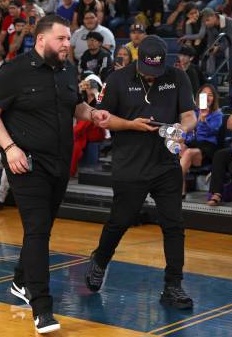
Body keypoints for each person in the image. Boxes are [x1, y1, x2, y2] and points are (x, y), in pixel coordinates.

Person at [0, 15, 110, 334]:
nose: (69, 44)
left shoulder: (68, 69)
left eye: (69, 39)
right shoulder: (14, 70)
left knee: (41, 228)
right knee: (38, 231)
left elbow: (75, 106)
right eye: (62, 39)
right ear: (41, 40)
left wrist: (93, 114)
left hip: (60, 164)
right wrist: (10, 148)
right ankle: (42, 308)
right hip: (26, 163)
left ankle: (19, 282)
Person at [85, 35, 197, 311]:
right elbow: (102, 118)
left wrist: (181, 130)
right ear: (138, 60)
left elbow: (190, 114)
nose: (152, 76)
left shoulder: (178, 77)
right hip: (130, 164)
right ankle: (100, 259)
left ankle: (173, 285)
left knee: (174, 225)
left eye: (157, 71)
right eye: (148, 71)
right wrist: (131, 125)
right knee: (119, 221)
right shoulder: (117, 79)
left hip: (166, 163)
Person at [180, 84, 222, 198]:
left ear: (214, 98)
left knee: (187, 152)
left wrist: (204, 120)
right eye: (204, 95)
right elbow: (188, 134)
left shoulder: (217, 114)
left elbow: (214, 131)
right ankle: (181, 187)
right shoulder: (193, 113)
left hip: (207, 147)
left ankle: (175, 187)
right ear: (199, 97)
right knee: (180, 148)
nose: (207, 98)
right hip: (192, 144)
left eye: (210, 95)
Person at [199, 7, 232, 74]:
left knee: (229, 50)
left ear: (214, 16)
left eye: (207, 20)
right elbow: (211, 42)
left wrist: (218, 47)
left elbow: (230, 40)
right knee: (210, 52)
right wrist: (211, 48)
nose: (206, 23)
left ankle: (231, 75)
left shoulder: (229, 22)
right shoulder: (209, 27)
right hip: (223, 47)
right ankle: (210, 76)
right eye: (204, 21)